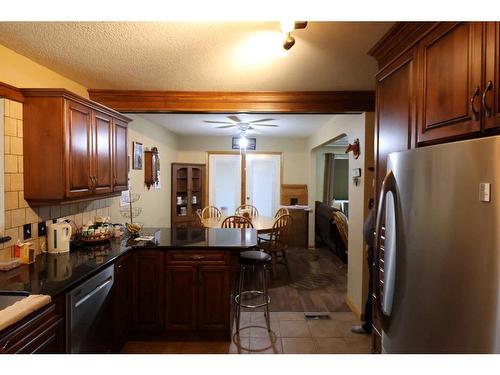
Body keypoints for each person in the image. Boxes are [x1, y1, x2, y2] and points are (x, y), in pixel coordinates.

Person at [351, 198, 375, 334]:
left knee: (374, 289)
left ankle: (370, 325)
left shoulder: (381, 193)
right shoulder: (378, 195)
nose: (373, 181)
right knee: (372, 288)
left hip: (379, 251)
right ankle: (369, 324)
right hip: (373, 249)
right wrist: (369, 244)